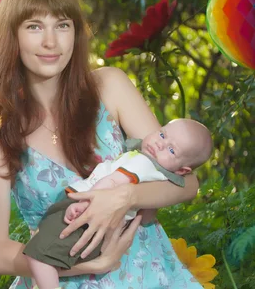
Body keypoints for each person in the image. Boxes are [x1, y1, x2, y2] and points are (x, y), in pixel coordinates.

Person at [0, 0, 205, 288]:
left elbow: (186, 182)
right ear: (12, 35)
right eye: (34, 26)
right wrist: (89, 265)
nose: (51, 41)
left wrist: (125, 197)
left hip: (146, 273)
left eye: (62, 25)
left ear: (76, 33)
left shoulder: (110, 86)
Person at [24, 119, 213, 289]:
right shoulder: (155, 175)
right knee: (49, 256)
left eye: (171, 150)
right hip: (103, 228)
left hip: (87, 213)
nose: (160, 144)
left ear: (181, 170)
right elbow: (146, 217)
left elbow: (112, 182)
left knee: (39, 253)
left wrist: (84, 203)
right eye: (162, 134)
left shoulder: (143, 163)